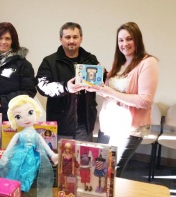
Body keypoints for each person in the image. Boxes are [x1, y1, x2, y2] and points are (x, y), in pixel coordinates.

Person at [90, 22, 159, 177]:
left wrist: (111, 92)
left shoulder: (148, 62)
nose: (124, 44)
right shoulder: (119, 62)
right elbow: (113, 92)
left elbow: (145, 100)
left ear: (138, 40)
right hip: (108, 124)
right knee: (100, 169)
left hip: (129, 127)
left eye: (129, 39)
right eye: (120, 40)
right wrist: (101, 90)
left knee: (112, 172)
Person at [36, 22, 103, 142]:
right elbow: (42, 86)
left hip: (85, 125)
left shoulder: (90, 59)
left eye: (75, 37)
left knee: (84, 160)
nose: (71, 41)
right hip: (60, 125)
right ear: (60, 39)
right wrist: (65, 87)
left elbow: (99, 81)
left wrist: (104, 76)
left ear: (81, 38)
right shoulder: (49, 61)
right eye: (67, 37)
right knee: (60, 160)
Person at [0, 95, 58, 196]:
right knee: (14, 170)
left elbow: (44, 145)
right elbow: (10, 147)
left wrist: (52, 155)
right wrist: (5, 157)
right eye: (18, 116)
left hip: (33, 158)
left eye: (30, 112)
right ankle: (13, 187)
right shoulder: (18, 134)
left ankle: (24, 188)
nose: (25, 118)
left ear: (36, 111)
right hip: (18, 155)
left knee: (30, 173)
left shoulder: (37, 135)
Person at [0, 22, 37, 121]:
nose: (3, 42)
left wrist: (3, 101)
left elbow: (29, 92)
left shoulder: (23, 64)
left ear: (13, 41)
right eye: (0, 38)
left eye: (7, 38)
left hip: (15, 115)